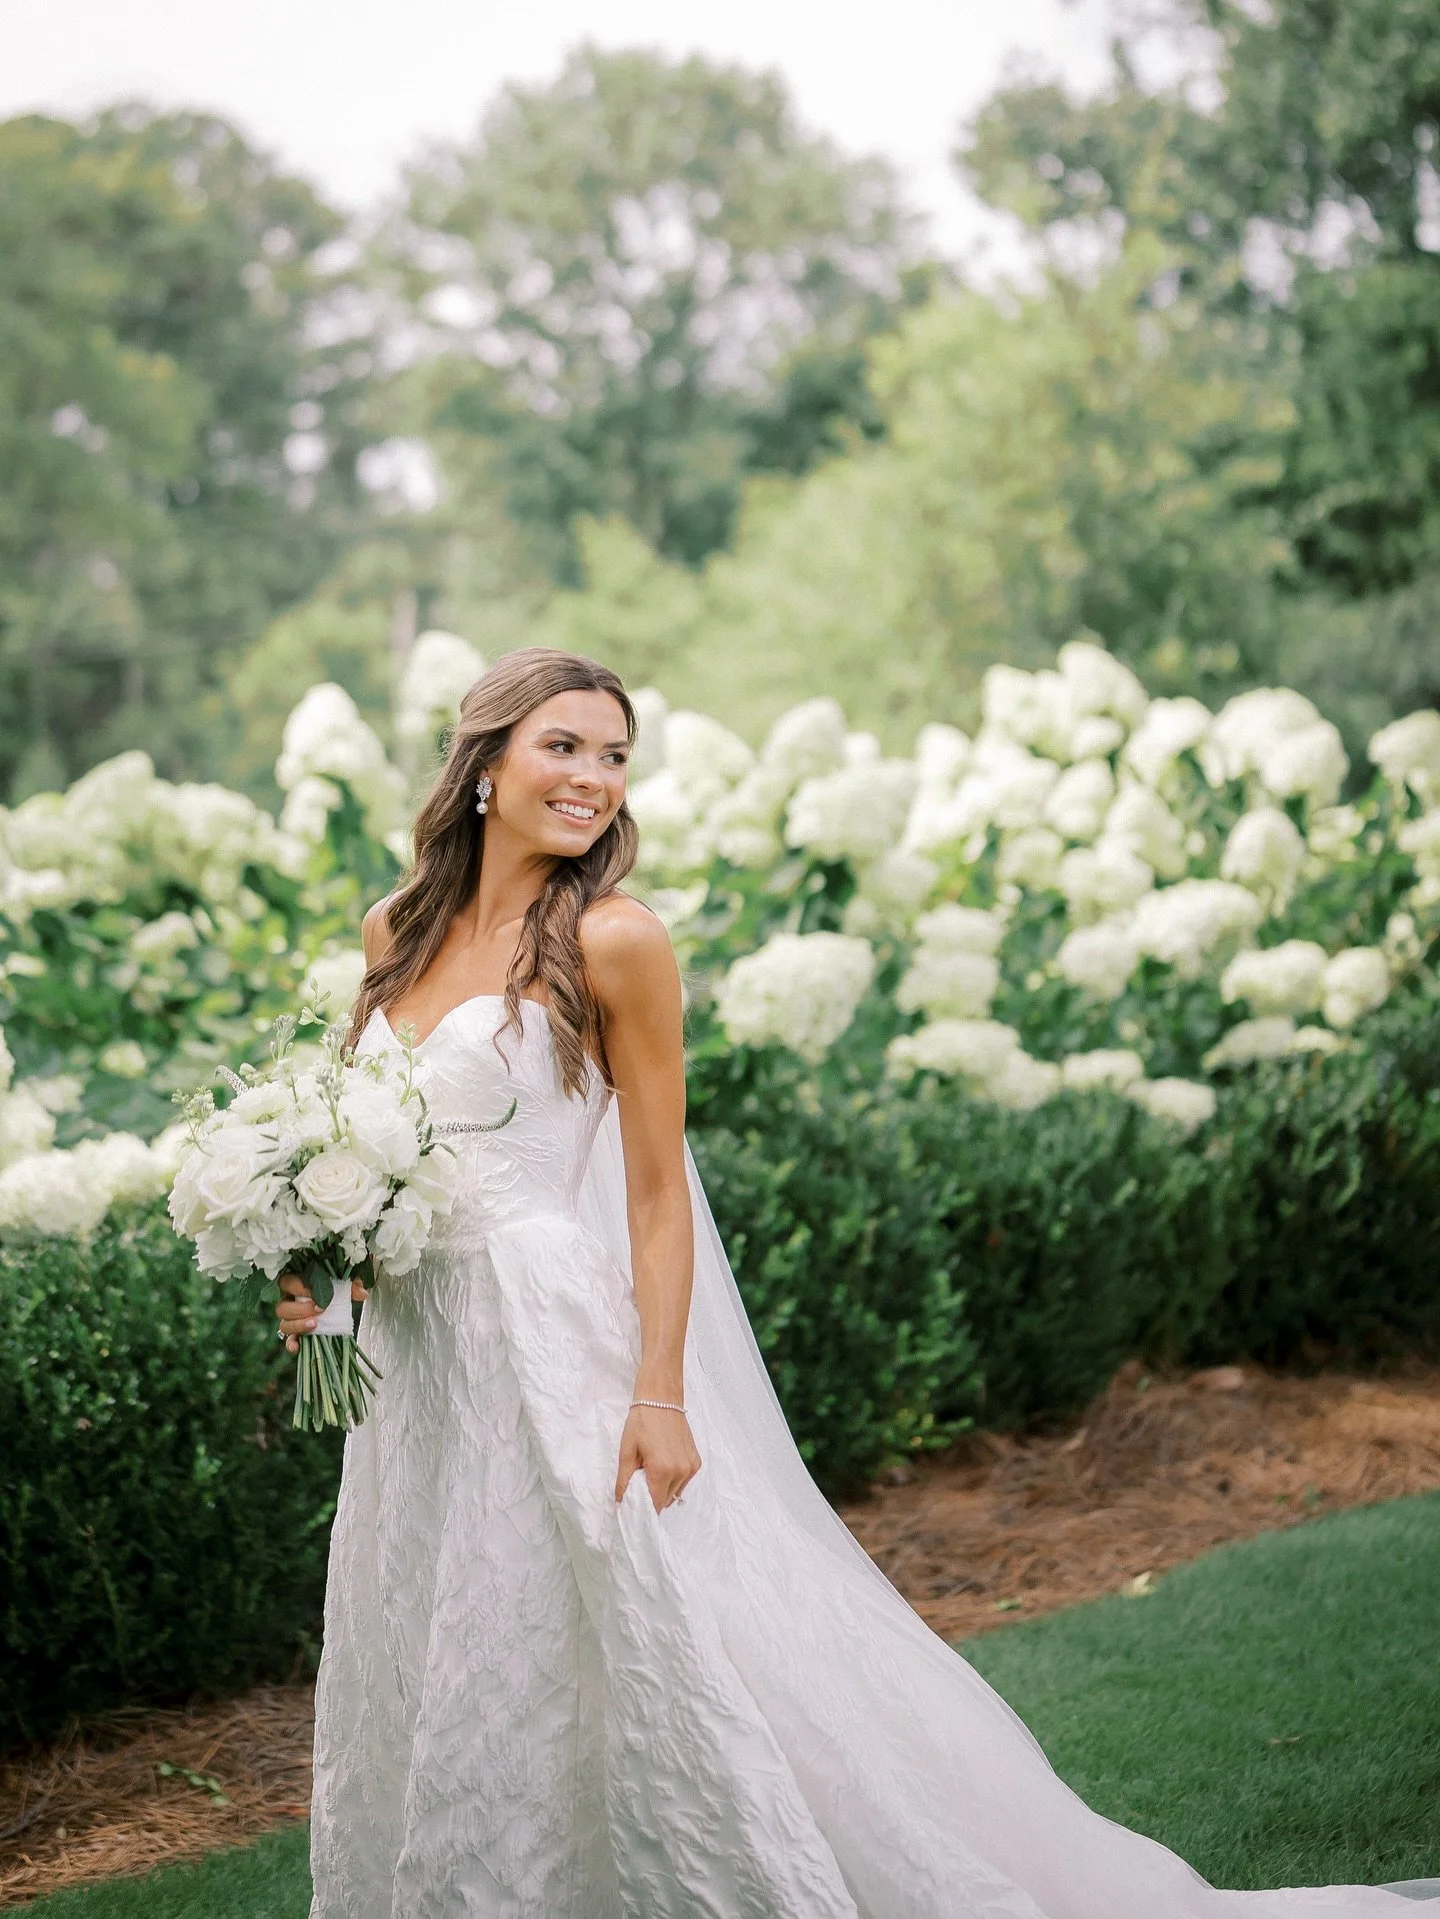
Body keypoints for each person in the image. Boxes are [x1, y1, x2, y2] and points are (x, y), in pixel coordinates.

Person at [278, 647, 1438, 1918]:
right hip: (429, 1366)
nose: (594, 777)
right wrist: (324, 1292)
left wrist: (660, 1393)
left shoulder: (616, 941)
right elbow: (357, 1144)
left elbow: (658, 1192)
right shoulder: (395, 931)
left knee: (613, 1632)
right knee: (444, 1626)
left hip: (557, 1341)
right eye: (565, 745)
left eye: (615, 754)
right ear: (485, 762)